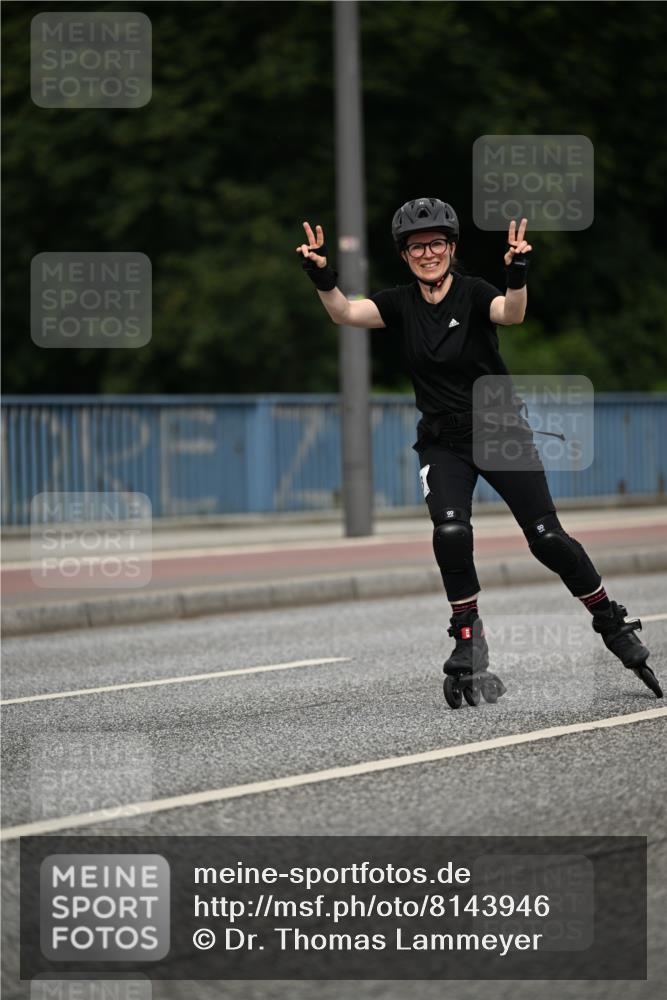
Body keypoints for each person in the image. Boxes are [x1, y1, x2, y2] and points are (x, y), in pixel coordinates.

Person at [296, 198, 662, 707]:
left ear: (452, 247)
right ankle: (467, 634)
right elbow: (345, 312)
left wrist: (517, 274)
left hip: (500, 430)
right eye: (417, 246)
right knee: (450, 531)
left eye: (437, 244)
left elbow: (511, 314)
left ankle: (609, 617)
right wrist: (323, 277)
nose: (428, 253)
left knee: (547, 539)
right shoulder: (400, 303)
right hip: (442, 441)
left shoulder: (472, 293)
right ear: (405, 255)